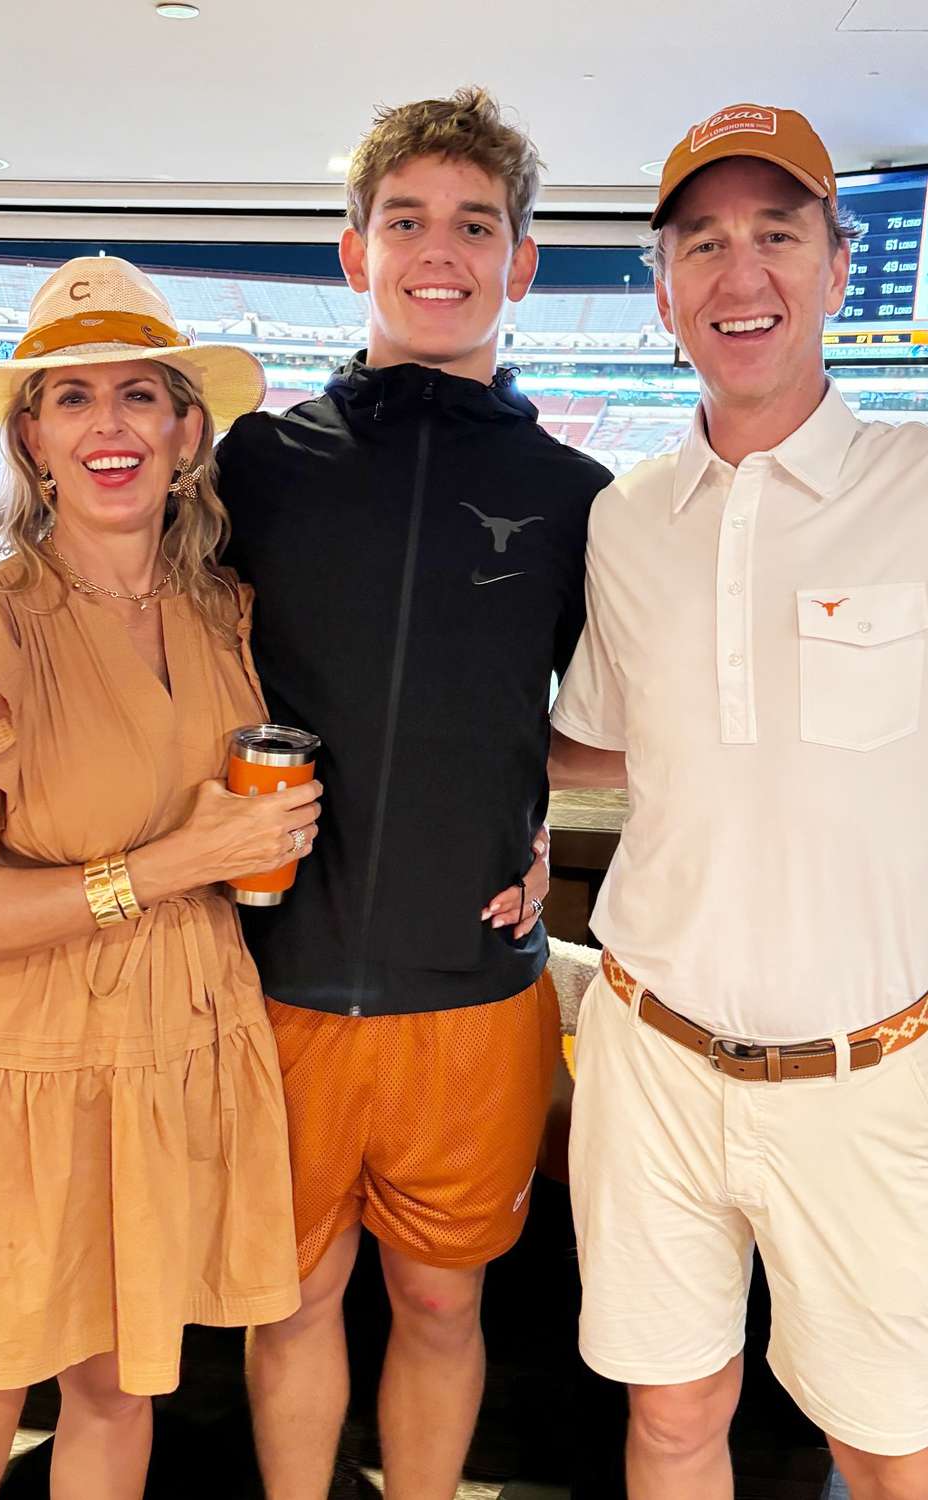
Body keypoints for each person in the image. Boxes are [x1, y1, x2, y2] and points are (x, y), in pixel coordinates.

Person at [215, 88, 616, 1500]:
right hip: (281, 979)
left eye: (474, 225)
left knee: (445, 1307)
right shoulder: (255, 464)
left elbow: (617, 726)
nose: (436, 251)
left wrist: (526, 794)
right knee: (295, 1300)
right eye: (405, 221)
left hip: (474, 990)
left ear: (521, 263)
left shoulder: (583, 498)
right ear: (353, 251)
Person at [550, 101, 928, 1500]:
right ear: (662, 290)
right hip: (652, 1055)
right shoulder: (626, 516)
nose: (739, 273)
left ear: (840, 267)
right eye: (702, 242)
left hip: (877, 1072)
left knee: (890, 1445)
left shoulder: (919, 485)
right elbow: (599, 743)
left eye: (778, 233)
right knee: (668, 1421)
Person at [0, 256, 321, 1500]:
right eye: (73, 398)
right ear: (31, 438)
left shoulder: (230, 615)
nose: (112, 427)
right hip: (16, 1072)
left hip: (181, 1048)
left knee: (117, 1393)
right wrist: (171, 867)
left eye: (140, 396)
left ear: (187, 430)